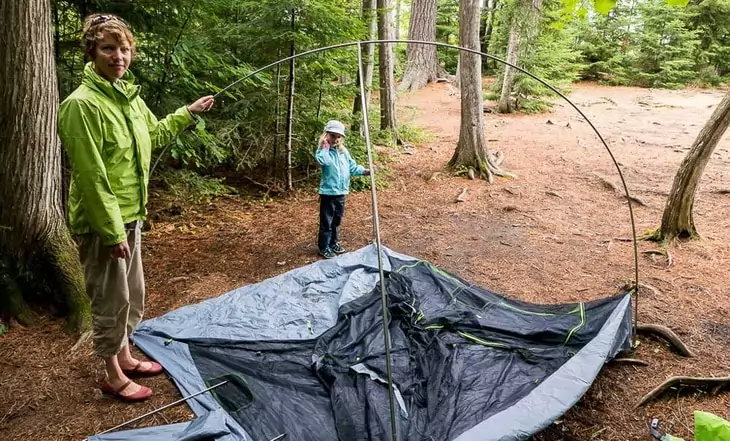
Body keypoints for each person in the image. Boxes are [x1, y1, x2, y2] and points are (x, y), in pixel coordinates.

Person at [58, 13, 215, 402]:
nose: (119, 56)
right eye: (109, 48)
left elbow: (154, 134)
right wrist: (111, 233)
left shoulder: (129, 96)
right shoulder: (82, 105)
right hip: (102, 225)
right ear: (92, 51)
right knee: (110, 299)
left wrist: (187, 113)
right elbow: (91, 177)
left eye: (124, 48)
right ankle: (112, 374)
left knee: (132, 292)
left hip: (132, 215)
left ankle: (126, 355)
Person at [315, 120, 370, 259]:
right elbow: (324, 161)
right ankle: (323, 247)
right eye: (333, 136)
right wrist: (326, 146)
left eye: (338, 137)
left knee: (336, 220)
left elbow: (352, 167)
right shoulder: (323, 151)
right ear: (326, 135)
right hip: (328, 192)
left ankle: (333, 243)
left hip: (341, 192)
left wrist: (364, 171)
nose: (336, 139)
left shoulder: (343, 152)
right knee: (326, 221)